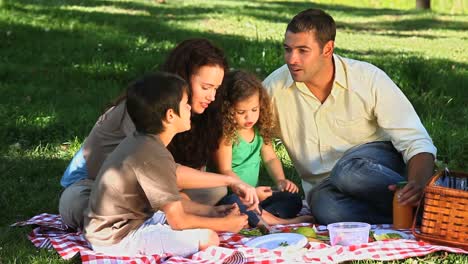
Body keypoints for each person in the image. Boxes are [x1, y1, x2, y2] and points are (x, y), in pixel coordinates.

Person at [59, 38, 258, 230]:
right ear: (183, 79)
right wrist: (230, 181)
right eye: (206, 87)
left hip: (150, 187)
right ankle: (165, 220)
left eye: (216, 88)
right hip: (97, 187)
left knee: (212, 191)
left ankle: (170, 217)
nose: (212, 96)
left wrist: (208, 204)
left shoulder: (194, 114)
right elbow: (160, 170)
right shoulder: (145, 110)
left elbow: (169, 177)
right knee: (77, 203)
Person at [263, 8, 437, 224]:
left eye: (302, 50)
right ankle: (414, 215)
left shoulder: (367, 78)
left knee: (347, 171)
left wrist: (417, 183)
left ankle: (429, 201)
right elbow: (248, 134)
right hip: (327, 187)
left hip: (374, 168)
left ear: (327, 49)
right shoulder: (273, 89)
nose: (291, 59)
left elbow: (416, 141)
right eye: (287, 49)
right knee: (324, 207)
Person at [84, 72, 248, 257]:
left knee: (199, 223)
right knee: (209, 238)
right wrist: (226, 225)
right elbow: (178, 220)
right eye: (185, 103)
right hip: (117, 239)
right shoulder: (152, 153)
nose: (189, 108)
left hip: (126, 223)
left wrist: (221, 195)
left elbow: (175, 173)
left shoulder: (144, 141)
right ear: (170, 115)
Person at [212, 70, 314, 227]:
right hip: (232, 195)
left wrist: (280, 180)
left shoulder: (258, 130)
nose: (249, 117)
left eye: (254, 110)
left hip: (255, 194)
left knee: (291, 199)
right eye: (241, 112)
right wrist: (247, 191)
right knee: (235, 204)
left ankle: (257, 216)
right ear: (227, 109)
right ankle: (280, 222)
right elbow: (226, 171)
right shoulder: (227, 135)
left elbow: (270, 158)